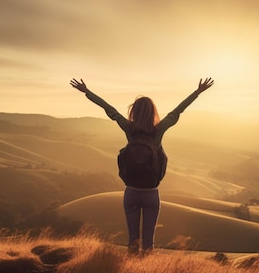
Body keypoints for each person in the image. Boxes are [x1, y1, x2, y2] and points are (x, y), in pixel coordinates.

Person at [70, 77, 214, 255]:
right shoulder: (158, 130)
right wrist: (197, 92)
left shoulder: (129, 129)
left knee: (133, 240)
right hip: (151, 194)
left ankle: (130, 271)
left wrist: (87, 91)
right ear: (152, 112)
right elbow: (178, 111)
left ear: (134, 112)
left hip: (131, 191)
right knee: (148, 242)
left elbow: (110, 110)